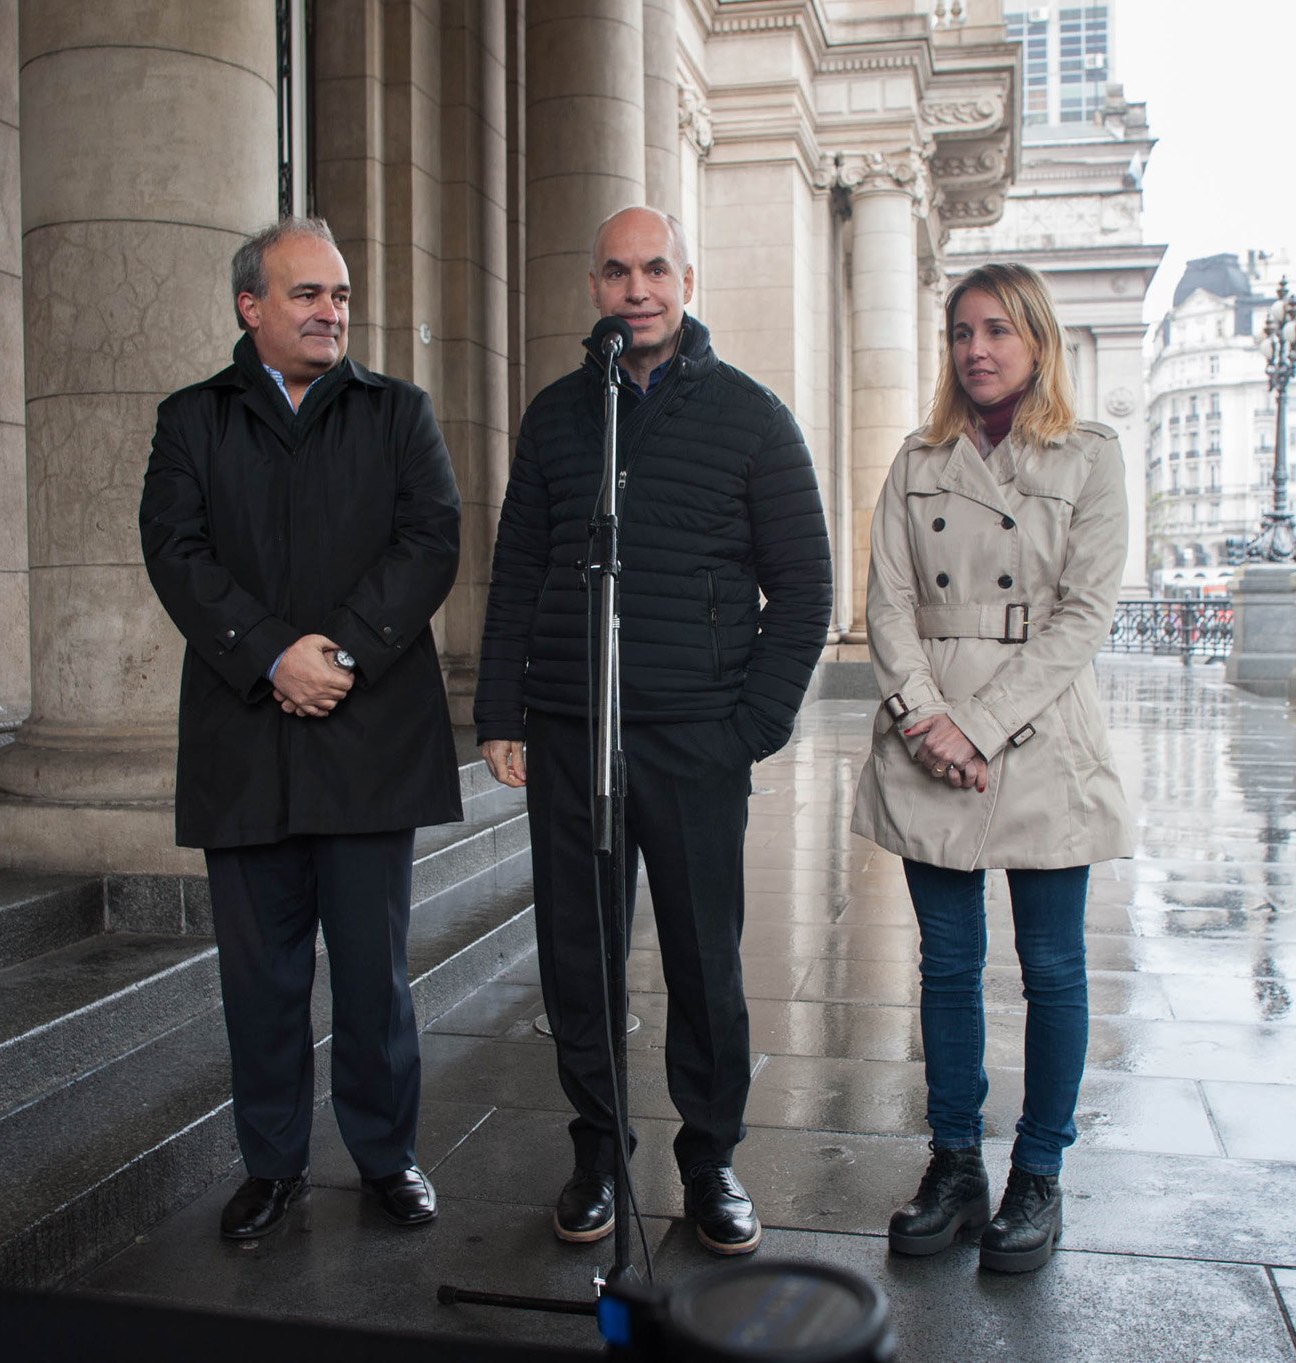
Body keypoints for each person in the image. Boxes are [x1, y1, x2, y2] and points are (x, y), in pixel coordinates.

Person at [474, 207, 832, 1256]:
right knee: (575, 958)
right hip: (570, 729)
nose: (638, 290)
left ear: (687, 276)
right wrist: (501, 710)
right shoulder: (556, 417)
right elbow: (520, 572)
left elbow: (803, 586)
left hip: (692, 740)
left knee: (702, 961)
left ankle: (709, 1157)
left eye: (657, 270)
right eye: (618, 273)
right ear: (594, 286)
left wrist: (752, 723)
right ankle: (595, 1149)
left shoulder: (751, 417)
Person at [140, 217, 462, 1241]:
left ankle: (386, 1158)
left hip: (366, 734)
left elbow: (431, 541)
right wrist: (272, 653)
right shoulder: (192, 420)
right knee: (261, 979)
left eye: (340, 297)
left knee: (373, 977)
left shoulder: (395, 412)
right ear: (250, 307)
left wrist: (345, 652)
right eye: (307, 295)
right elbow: (174, 550)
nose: (331, 313)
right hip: (246, 740)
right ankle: (271, 1166)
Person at [851, 262, 1133, 1274]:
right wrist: (927, 718)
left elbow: (1083, 618)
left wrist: (976, 722)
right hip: (930, 736)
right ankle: (954, 1165)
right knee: (947, 963)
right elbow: (885, 605)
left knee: (1052, 967)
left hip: (1040, 729)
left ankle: (1039, 1175)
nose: (975, 348)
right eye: (961, 331)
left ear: (1036, 343)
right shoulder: (916, 457)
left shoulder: (1089, 456)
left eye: (996, 331)